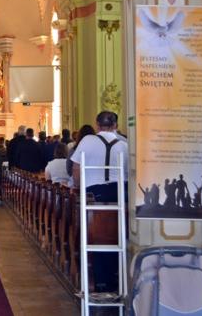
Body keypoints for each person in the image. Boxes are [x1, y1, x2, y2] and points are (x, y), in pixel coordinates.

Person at [70, 111, 128, 293]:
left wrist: (78, 186)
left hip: (94, 194)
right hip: (119, 193)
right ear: (116, 125)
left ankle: (99, 280)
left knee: (95, 235)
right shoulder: (124, 144)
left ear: (97, 125)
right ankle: (116, 279)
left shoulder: (87, 141)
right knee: (116, 235)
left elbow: (76, 168)